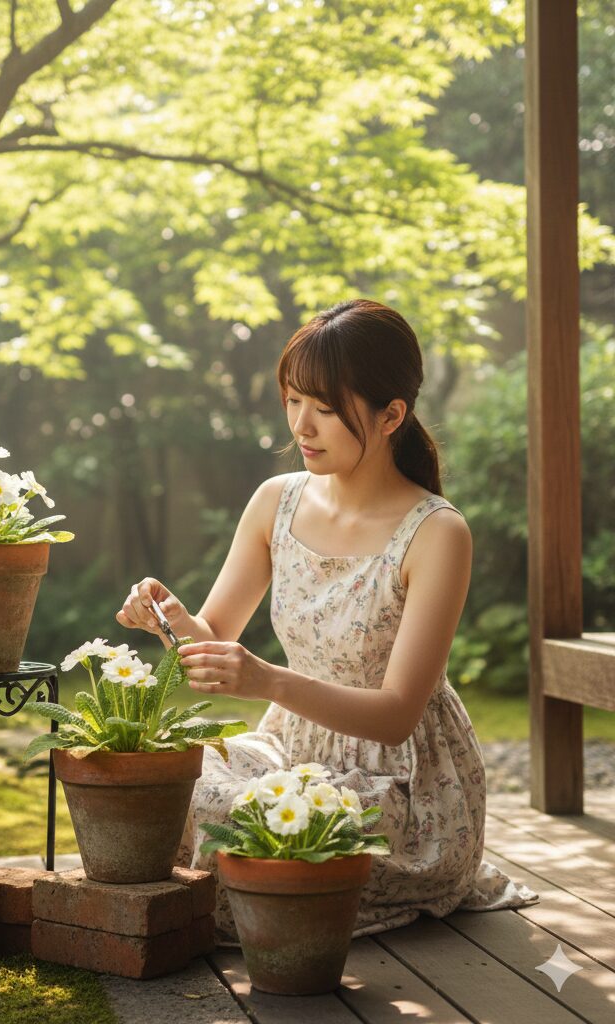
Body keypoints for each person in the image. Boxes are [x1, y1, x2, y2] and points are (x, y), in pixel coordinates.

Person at [115, 298, 540, 943]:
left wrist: (269, 682)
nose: (301, 427)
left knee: (269, 828)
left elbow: (398, 713)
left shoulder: (436, 532)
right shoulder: (274, 502)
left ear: (392, 414)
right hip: (292, 748)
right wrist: (169, 618)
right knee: (177, 782)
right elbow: (214, 636)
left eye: (324, 408)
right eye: (292, 402)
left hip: (402, 781)